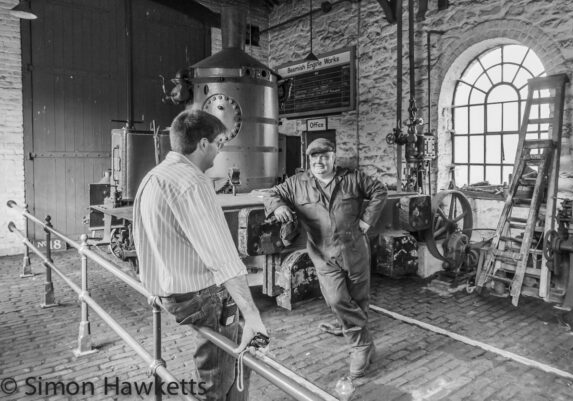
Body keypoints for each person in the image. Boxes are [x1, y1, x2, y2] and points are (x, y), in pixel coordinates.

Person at [133, 109, 268, 401]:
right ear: (204, 144)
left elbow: (141, 235)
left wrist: (152, 287)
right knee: (222, 367)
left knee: (234, 352)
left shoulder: (155, 176)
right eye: (220, 144)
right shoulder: (194, 182)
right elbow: (223, 258)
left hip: (170, 292)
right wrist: (253, 314)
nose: (219, 153)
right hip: (199, 296)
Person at [264, 138, 387, 378]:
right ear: (308, 160)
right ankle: (361, 345)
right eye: (314, 157)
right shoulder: (297, 183)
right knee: (336, 299)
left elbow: (379, 190)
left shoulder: (352, 178)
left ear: (333, 158)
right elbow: (271, 193)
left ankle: (356, 335)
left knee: (358, 298)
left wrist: (366, 220)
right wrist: (277, 206)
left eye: (324, 156)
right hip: (323, 253)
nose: (319, 161)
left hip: (354, 249)